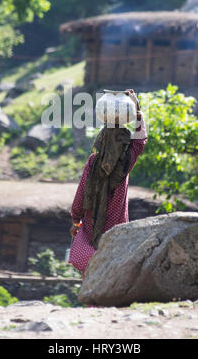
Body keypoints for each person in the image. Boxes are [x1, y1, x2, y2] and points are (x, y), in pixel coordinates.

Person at [68, 89, 148, 279]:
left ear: (101, 140)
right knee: (112, 270)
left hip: (91, 223)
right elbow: (141, 138)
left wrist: (75, 220)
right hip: (116, 229)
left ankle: (91, 302)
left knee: (91, 269)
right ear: (123, 143)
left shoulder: (93, 162)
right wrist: (136, 109)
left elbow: (80, 196)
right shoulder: (126, 160)